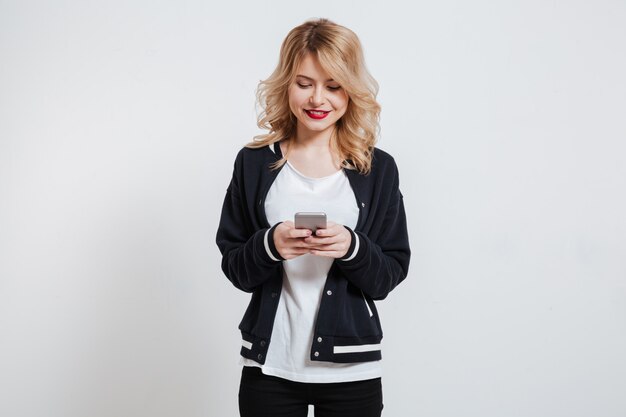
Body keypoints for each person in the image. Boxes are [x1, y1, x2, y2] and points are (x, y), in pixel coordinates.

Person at [216, 17, 410, 417]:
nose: (317, 99)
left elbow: (388, 275)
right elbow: (235, 268)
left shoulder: (378, 170)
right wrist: (271, 245)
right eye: (304, 83)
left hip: (352, 371)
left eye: (333, 85)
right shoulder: (253, 164)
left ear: (351, 90)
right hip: (269, 368)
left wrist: (350, 246)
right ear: (286, 83)